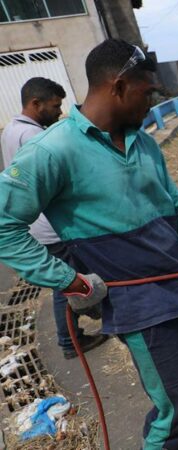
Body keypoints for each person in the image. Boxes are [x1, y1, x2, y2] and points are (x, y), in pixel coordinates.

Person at [0, 39, 178, 449]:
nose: (153, 103)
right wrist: (70, 281)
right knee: (174, 413)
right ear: (118, 85)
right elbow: (6, 228)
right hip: (142, 312)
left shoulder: (143, 142)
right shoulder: (53, 151)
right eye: (147, 93)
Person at [0, 77, 107, 359]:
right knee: (66, 284)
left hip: (37, 223)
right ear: (35, 104)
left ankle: (74, 334)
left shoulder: (11, 129)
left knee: (66, 283)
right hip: (49, 227)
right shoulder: (35, 138)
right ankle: (69, 341)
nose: (59, 112)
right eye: (55, 106)